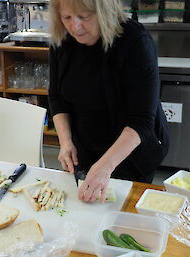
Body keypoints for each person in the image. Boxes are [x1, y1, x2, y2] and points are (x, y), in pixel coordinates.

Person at [48, 0, 169, 203]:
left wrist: (105, 166)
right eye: (67, 17)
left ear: (104, 11)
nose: (74, 26)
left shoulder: (135, 41)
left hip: (131, 153)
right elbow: (56, 97)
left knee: (124, 214)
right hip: (85, 149)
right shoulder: (62, 39)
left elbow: (141, 120)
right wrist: (66, 142)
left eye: (84, 17)